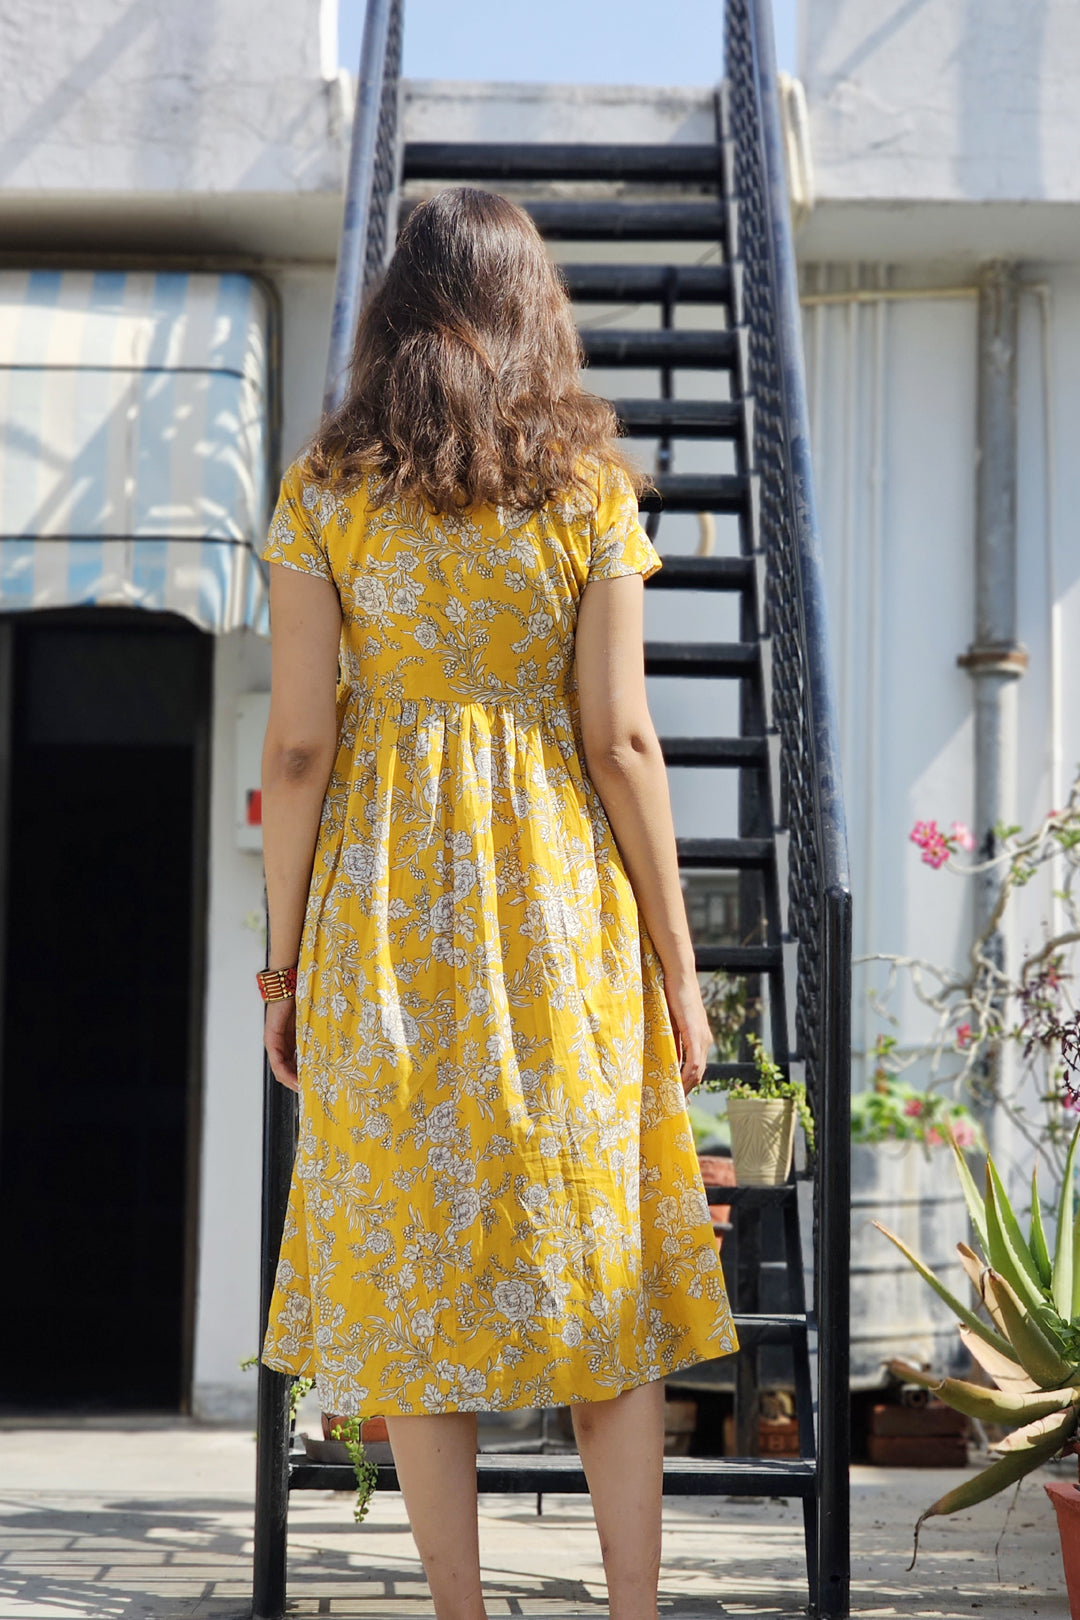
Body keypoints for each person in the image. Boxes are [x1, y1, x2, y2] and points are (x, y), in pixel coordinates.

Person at [258, 186, 737, 1620]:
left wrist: (283, 969)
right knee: (598, 1263)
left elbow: (295, 746)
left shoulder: (326, 489)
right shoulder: (586, 486)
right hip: (559, 909)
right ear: (534, 304)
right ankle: (635, 1612)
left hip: (386, 913)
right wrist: (679, 967)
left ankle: (461, 1614)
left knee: (414, 1271)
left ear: (398, 303)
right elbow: (622, 740)